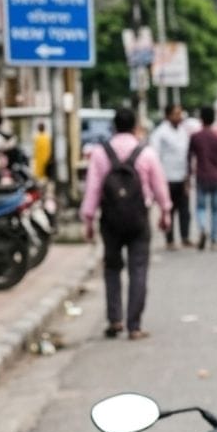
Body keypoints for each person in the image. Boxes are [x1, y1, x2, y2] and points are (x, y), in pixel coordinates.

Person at [80, 106, 170, 339]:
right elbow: (159, 186)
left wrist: (88, 220)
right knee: (138, 269)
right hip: (139, 218)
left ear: (114, 127)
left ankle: (114, 320)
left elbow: (93, 189)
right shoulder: (146, 153)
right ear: (135, 127)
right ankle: (135, 325)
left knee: (112, 269)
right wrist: (166, 212)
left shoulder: (101, 153)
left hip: (110, 220)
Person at [187, 105, 217, 250]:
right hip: (216, 177)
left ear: (201, 119)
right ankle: (215, 240)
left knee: (200, 207)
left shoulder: (195, 137)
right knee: (216, 209)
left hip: (201, 176)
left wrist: (188, 178)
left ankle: (203, 228)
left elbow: (189, 159)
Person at [151, 103, 193, 250]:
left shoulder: (183, 131)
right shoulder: (160, 133)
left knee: (185, 210)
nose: (179, 117)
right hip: (166, 178)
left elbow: (187, 155)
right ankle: (169, 240)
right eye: (176, 114)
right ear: (168, 115)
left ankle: (185, 237)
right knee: (169, 210)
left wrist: (188, 176)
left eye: (180, 114)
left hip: (182, 176)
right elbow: (154, 157)